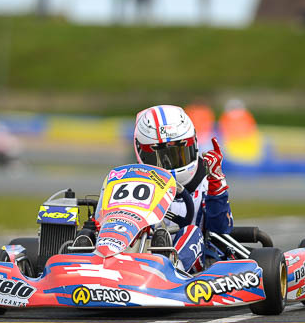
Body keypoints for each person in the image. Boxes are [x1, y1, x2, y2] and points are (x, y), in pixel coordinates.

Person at [77, 105, 233, 273]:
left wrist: (217, 185)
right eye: (159, 157)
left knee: (190, 231)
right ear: (141, 152)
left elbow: (222, 230)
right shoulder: (125, 179)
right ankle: (90, 264)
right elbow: (103, 220)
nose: (169, 164)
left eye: (178, 153)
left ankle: (172, 270)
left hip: (188, 262)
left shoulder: (207, 179)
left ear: (193, 145)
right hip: (137, 253)